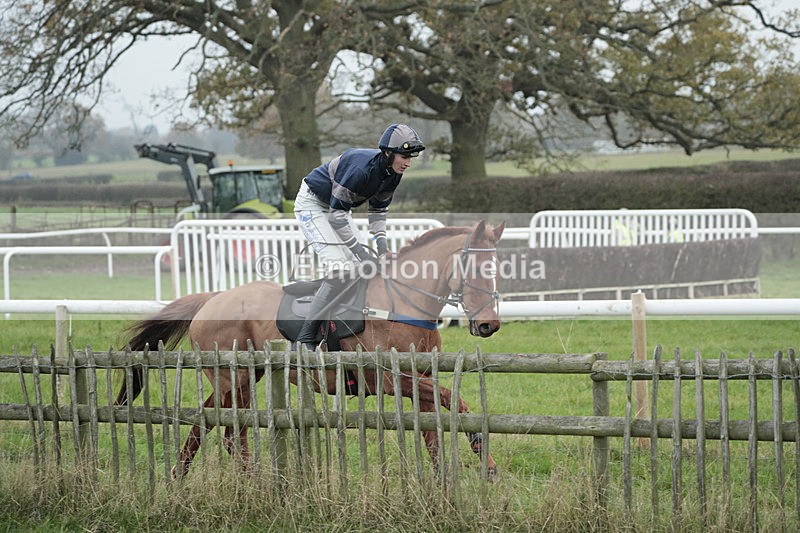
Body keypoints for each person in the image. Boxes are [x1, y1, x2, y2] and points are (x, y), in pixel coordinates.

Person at [293, 123, 426, 350]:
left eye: (410, 157)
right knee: (341, 269)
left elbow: (377, 213)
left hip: (338, 209)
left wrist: (382, 249)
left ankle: (343, 325)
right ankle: (305, 336)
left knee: (362, 266)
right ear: (387, 153)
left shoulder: (392, 174)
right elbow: (336, 215)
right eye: (403, 156)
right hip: (313, 204)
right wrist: (361, 251)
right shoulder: (361, 170)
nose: (408, 162)